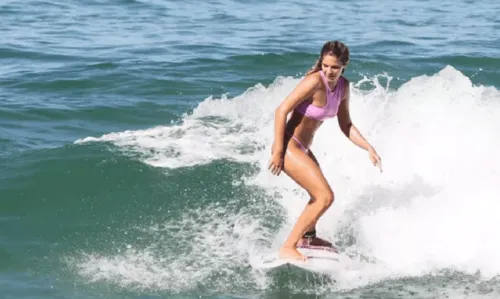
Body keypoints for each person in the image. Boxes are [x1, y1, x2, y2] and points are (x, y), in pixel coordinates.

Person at [268, 40, 382, 261]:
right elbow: (281, 110)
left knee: (318, 193)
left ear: (344, 67)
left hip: (303, 148)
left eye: (335, 67)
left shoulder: (343, 87)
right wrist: (278, 150)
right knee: (325, 197)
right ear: (321, 63)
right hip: (289, 145)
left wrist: (369, 147)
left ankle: (307, 238)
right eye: (326, 65)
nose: (329, 71)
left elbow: (346, 125)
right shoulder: (313, 82)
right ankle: (288, 246)